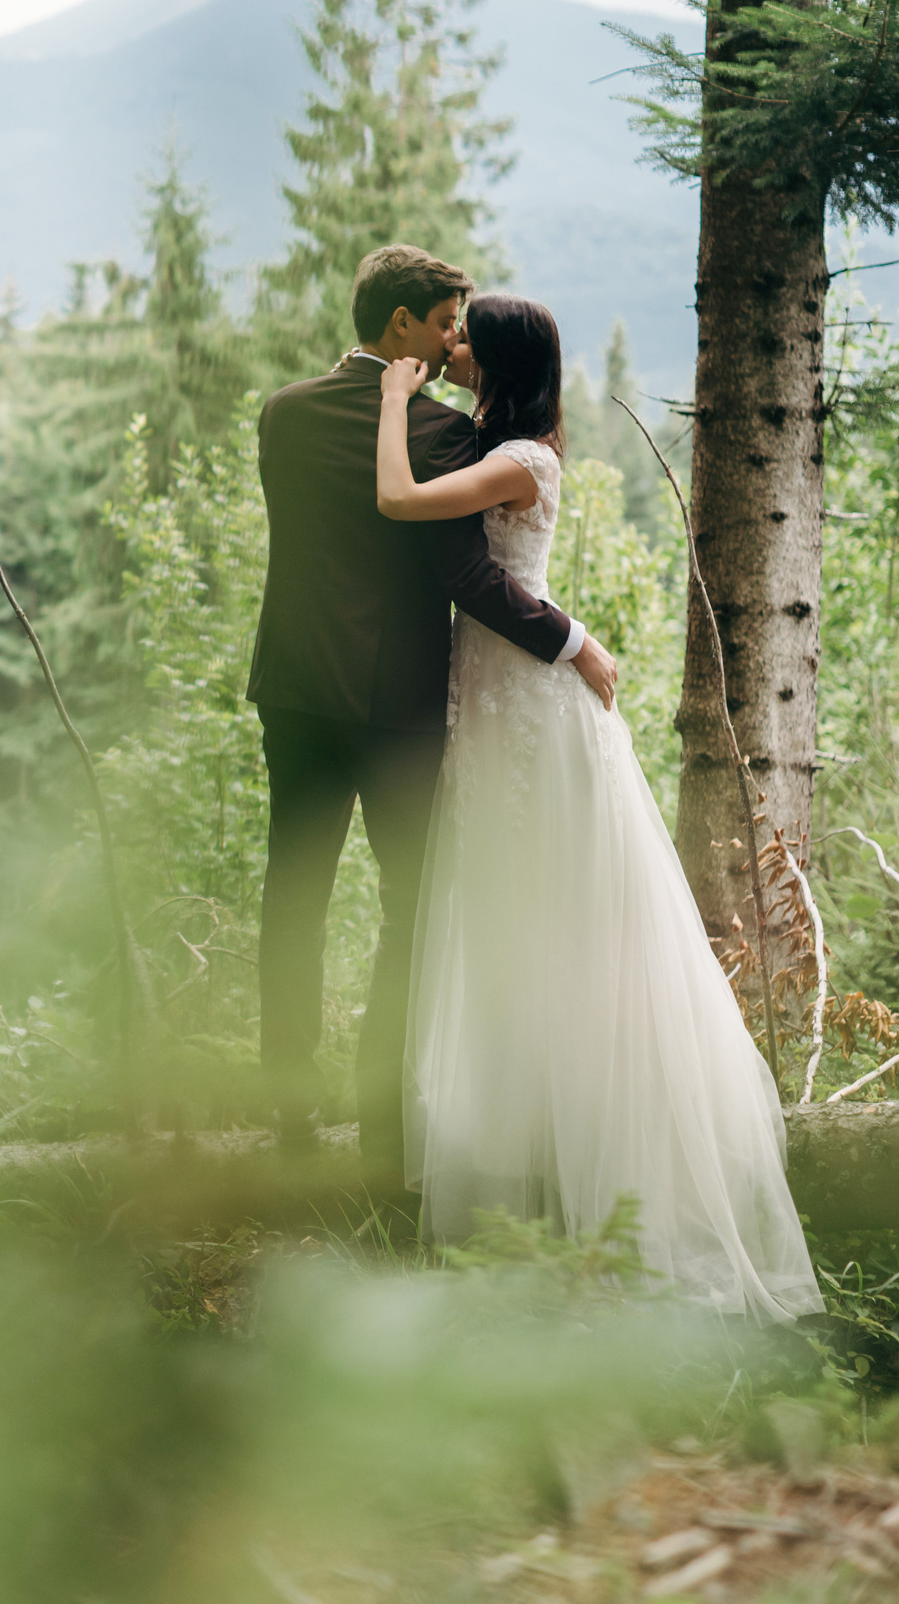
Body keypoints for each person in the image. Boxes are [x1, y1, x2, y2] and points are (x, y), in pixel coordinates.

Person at [372, 292, 820, 1322]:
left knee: (557, 918)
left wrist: (395, 395)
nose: (446, 348)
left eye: (459, 340)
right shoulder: (491, 442)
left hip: (531, 710)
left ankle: (598, 1186)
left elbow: (404, 508)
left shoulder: (526, 457)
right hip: (490, 702)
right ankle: (524, 1165)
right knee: (499, 919)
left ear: (497, 359)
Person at [245, 246, 617, 1179]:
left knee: (294, 893)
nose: (456, 338)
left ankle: (289, 1114)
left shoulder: (283, 415)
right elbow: (463, 575)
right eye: (446, 321)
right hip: (400, 703)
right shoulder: (444, 436)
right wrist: (571, 641)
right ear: (403, 323)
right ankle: (385, 1132)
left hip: (293, 687)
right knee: (407, 913)